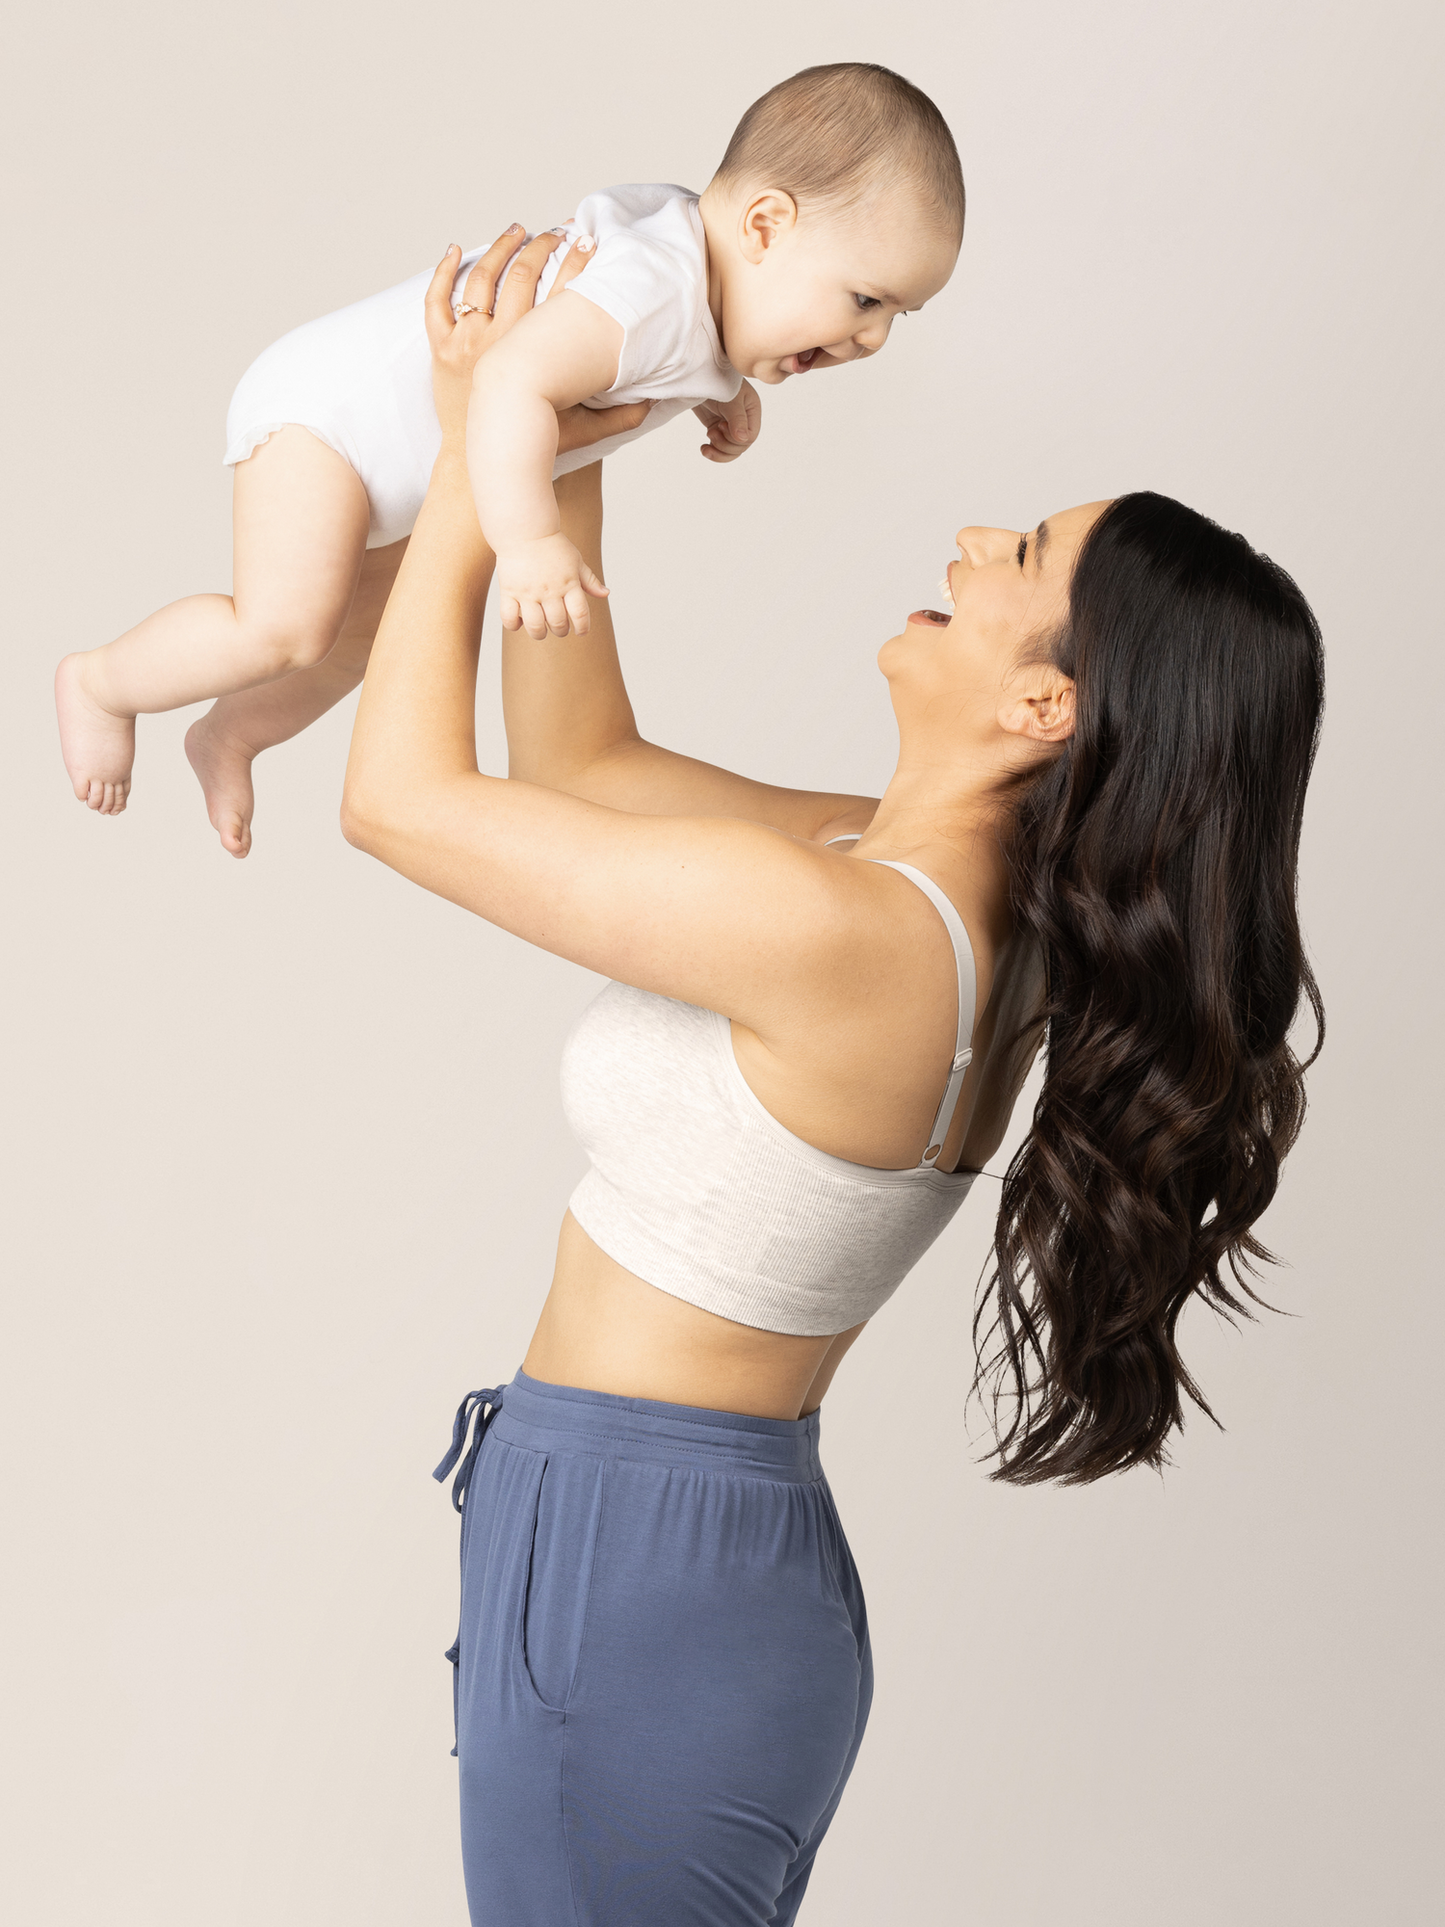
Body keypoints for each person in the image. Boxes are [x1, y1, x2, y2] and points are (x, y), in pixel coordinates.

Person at [340, 228, 1325, 1925]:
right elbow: (584, 760)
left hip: (636, 1586)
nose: (964, 540)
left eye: (1015, 553)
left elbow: (400, 802)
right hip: (654, 1557)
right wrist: (557, 455)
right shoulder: (920, 900)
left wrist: (465, 446)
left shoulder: (852, 933)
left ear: (1041, 703)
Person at [53, 62, 962, 856]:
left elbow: (684, 342)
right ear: (763, 226)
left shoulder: (700, 284)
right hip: (327, 419)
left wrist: (730, 391)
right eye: (864, 299)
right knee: (283, 626)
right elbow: (508, 382)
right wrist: (527, 540)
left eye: (894, 317)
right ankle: (100, 681)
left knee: (352, 645)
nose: (872, 338)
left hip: (396, 473)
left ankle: (231, 736)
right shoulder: (649, 292)